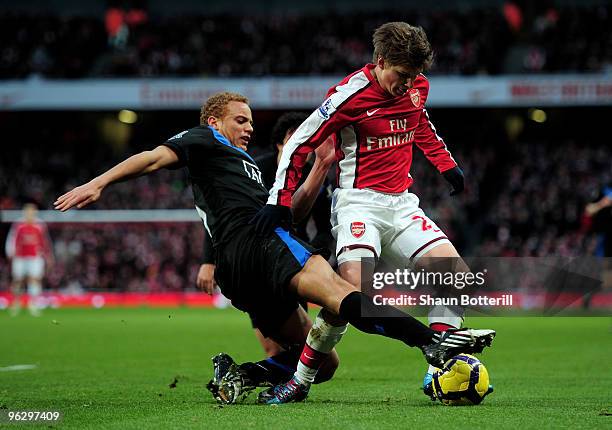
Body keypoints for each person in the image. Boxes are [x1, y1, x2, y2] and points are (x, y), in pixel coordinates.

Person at [54, 91, 494, 405]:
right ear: (215, 121)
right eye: (240, 120)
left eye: (250, 121)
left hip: (239, 272)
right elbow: (151, 157)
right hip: (259, 245)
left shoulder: (252, 169)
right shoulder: (204, 141)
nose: (249, 127)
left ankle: (241, 375)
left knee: (323, 364)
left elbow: (291, 212)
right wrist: (98, 183)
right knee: (344, 296)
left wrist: (319, 168)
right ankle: (431, 343)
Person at [250, 22, 485, 403]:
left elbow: (418, 120)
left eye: (415, 77)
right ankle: (300, 380)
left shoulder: (416, 87)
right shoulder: (347, 96)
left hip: (402, 203)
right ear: (379, 61)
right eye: (401, 76)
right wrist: (279, 199)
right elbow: (299, 144)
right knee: (349, 296)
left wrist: (445, 163)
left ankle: (436, 374)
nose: (408, 85)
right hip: (359, 204)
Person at [196, 112, 333, 359]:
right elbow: (223, 216)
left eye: (309, 137)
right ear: (280, 142)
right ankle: (254, 376)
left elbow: (325, 228)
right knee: (273, 348)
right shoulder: (254, 168)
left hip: (292, 262)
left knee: (303, 349)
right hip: (255, 262)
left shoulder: (315, 177)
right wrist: (209, 260)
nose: (304, 142)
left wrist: (314, 258)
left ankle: (263, 380)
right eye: (296, 137)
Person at [5, 202, 54, 316]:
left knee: (35, 280)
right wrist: (10, 252)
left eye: (32, 211)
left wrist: (48, 255)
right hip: (20, 257)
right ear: (24, 212)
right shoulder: (18, 224)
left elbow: (45, 242)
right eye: (28, 211)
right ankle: (16, 303)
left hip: (35, 257)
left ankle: (33, 304)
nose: (30, 214)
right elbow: (12, 238)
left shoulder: (40, 225)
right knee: (18, 280)